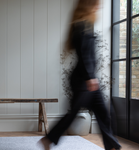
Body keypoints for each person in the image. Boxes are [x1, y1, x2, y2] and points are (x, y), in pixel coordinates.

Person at [38, 0, 121, 150]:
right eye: (96, 3)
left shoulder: (85, 25)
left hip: (87, 79)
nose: (99, 6)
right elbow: (84, 54)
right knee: (75, 114)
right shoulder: (81, 26)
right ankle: (48, 139)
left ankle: (112, 146)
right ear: (88, 5)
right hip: (84, 80)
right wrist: (90, 77)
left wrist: (91, 76)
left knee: (103, 113)